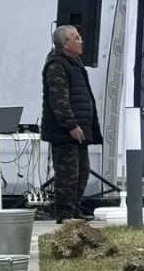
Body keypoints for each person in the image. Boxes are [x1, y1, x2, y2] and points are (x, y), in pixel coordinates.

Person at [41, 24, 102, 223]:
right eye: (76, 38)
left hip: (80, 130)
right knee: (67, 174)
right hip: (65, 132)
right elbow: (59, 100)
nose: (81, 41)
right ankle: (64, 214)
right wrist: (71, 125)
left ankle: (75, 210)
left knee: (82, 172)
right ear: (65, 44)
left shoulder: (75, 64)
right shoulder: (56, 65)